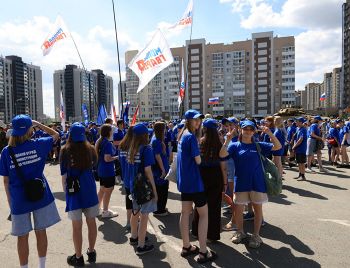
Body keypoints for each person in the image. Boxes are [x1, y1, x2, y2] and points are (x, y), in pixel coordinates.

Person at [0, 115, 61, 268]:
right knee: (41, 232)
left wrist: (10, 202)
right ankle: (42, 266)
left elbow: (6, 181)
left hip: (18, 201)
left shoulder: (6, 152)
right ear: (29, 130)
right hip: (40, 195)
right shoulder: (38, 145)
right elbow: (56, 135)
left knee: (22, 237)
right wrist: (38, 124)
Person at [219, 120, 281, 249]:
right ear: (241, 130)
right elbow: (222, 154)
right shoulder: (235, 145)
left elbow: (277, 147)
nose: (248, 131)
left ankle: (256, 235)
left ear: (254, 131)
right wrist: (227, 140)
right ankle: (240, 232)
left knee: (258, 211)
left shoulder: (258, 145)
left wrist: (270, 133)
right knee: (239, 210)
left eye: (251, 129)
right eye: (245, 129)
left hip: (257, 184)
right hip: (241, 183)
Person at [177, 109, 217, 264]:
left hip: (185, 183)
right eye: (195, 120)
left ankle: (186, 247)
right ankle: (203, 251)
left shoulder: (181, 135)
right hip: (195, 183)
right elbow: (198, 161)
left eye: (199, 120)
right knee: (204, 215)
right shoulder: (191, 137)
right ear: (188, 120)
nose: (198, 122)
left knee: (185, 213)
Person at [60, 123, 99, 266]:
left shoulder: (64, 151)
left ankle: (78, 256)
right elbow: (94, 167)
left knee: (76, 227)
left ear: (70, 135)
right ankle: (92, 251)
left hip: (73, 193)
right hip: (89, 191)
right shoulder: (91, 149)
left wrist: (67, 195)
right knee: (92, 223)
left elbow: (64, 177)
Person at [191, 119, 227, 242]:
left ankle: (196, 231)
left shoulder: (199, 142)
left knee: (199, 204)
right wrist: (225, 182)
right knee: (214, 206)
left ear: (204, 129)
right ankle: (212, 235)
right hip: (216, 175)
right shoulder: (220, 144)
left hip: (201, 175)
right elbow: (223, 165)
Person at [127, 123, 158, 255]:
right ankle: (141, 246)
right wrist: (155, 191)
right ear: (145, 135)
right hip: (144, 187)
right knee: (144, 216)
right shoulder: (147, 148)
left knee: (135, 212)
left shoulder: (131, 149)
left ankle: (134, 237)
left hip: (133, 185)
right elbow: (148, 171)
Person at [95, 124, 118, 218]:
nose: (113, 132)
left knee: (102, 189)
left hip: (101, 169)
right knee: (108, 191)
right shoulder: (107, 143)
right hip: (107, 170)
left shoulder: (99, 141)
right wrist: (117, 157)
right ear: (108, 132)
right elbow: (107, 158)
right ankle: (105, 211)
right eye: (112, 130)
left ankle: (97, 209)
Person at [151, 121, 170, 216]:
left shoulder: (158, 139)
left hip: (160, 169)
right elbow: (157, 156)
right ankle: (159, 209)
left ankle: (161, 207)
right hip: (159, 171)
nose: (166, 129)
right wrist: (163, 170)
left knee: (162, 189)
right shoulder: (156, 140)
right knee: (161, 190)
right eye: (165, 128)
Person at [118, 126, 134, 230]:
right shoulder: (135, 146)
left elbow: (120, 161)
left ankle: (129, 221)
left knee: (129, 199)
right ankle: (135, 220)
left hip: (125, 176)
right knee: (137, 201)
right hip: (134, 177)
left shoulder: (122, 145)